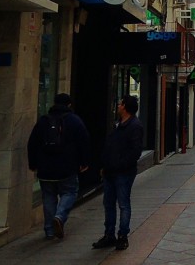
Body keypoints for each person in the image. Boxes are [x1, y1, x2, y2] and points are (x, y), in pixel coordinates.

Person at [27, 93, 90, 241]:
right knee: (70, 192)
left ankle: (49, 230)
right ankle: (60, 216)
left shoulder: (43, 121)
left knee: (48, 197)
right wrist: (84, 162)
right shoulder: (74, 121)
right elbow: (84, 141)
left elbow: (32, 143)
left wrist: (33, 164)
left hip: (45, 169)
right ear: (69, 105)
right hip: (67, 167)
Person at [93, 95, 143, 251]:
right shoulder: (117, 124)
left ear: (125, 107)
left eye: (120, 104)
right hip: (110, 171)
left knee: (123, 204)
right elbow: (109, 147)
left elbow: (135, 152)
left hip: (123, 172)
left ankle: (122, 236)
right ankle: (109, 234)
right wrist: (104, 164)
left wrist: (120, 165)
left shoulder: (135, 126)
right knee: (108, 204)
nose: (118, 106)